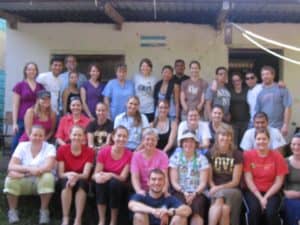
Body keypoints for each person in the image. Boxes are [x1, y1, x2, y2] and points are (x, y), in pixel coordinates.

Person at [3, 125, 56, 224]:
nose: (37, 137)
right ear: (30, 135)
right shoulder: (22, 146)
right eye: (35, 135)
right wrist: (30, 170)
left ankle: (44, 212)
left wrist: (23, 173)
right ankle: (12, 211)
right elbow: (11, 166)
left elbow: (48, 167)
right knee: (10, 179)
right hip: (25, 180)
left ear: (44, 137)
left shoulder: (49, 147)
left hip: (40, 180)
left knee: (48, 177)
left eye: (40, 135)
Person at [243, 128, 288, 225]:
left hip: (272, 191)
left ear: (269, 140)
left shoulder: (277, 156)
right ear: (255, 140)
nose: (261, 141)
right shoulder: (248, 155)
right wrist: (260, 198)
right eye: (258, 139)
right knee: (254, 211)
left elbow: (279, 182)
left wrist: (265, 198)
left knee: (270, 213)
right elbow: (248, 180)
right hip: (253, 191)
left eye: (264, 139)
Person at [93, 126, 132, 225]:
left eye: (124, 136)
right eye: (119, 136)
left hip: (120, 185)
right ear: (113, 137)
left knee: (114, 183)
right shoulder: (104, 151)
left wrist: (110, 175)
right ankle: (101, 220)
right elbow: (95, 174)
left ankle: (113, 221)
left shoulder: (129, 154)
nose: (121, 139)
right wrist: (98, 177)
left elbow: (123, 177)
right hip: (104, 184)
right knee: (101, 181)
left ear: (127, 139)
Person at [57, 125, 95, 225]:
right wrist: (70, 175)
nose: (77, 137)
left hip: (81, 178)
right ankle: (65, 218)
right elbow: (61, 173)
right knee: (66, 183)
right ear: (70, 136)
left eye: (79, 135)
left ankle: (78, 219)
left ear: (83, 137)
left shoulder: (89, 152)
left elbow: (86, 174)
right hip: (66, 177)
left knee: (82, 183)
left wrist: (75, 176)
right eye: (74, 134)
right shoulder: (62, 150)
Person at [169, 130, 209, 225]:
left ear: (196, 144)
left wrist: (194, 193)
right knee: (180, 215)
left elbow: (203, 183)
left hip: (198, 192)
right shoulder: (175, 157)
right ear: (182, 143)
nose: (188, 144)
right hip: (179, 191)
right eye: (185, 141)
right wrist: (184, 192)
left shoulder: (202, 159)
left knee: (197, 217)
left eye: (191, 141)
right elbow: (174, 182)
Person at [206, 124, 243, 225]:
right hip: (214, 187)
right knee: (225, 209)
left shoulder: (237, 154)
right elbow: (209, 179)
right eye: (222, 135)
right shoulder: (210, 153)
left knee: (220, 196)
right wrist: (213, 187)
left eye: (228, 135)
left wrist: (217, 189)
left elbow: (235, 181)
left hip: (233, 190)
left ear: (231, 138)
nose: (225, 138)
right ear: (217, 137)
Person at [11, 62, 44, 152]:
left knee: (31, 142)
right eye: (29, 69)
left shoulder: (40, 86)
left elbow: (41, 103)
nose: (31, 71)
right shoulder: (20, 85)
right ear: (25, 71)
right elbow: (15, 105)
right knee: (16, 142)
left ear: (36, 72)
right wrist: (14, 123)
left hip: (35, 118)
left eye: (34, 69)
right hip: (21, 118)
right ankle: (13, 163)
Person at [255, 65, 292, 136]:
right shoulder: (259, 92)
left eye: (267, 74)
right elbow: (258, 112)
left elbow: (287, 107)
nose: (265, 76)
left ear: (273, 75)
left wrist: (285, 125)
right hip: (264, 127)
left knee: (278, 147)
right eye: (263, 74)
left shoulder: (282, 89)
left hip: (279, 127)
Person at [131, 128, 169, 194]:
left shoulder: (163, 155)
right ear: (143, 141)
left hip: (158, 190)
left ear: (157, 142)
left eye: (153, 140)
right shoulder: (136, 156)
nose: (150, 142)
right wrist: (138, 191)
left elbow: (164, 176)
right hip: (142, 190)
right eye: (147, 139)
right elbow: (135, 177)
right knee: (132, 203)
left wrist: (163, 191)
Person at [283, 133, 300, 225]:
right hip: (290, 196)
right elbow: (282, 184)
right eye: (293, 144)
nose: (296, 147)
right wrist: (286, 193)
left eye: (299, 144)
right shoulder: (285, 162)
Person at [229, 72, 250, 146]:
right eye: (234, 81)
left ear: (241, 80)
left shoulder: (247, 90)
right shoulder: (229, 91)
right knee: (234, 143)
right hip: (233, 122)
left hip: (246, 121)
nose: (236, 82)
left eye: (237, 80)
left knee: (244, 143)